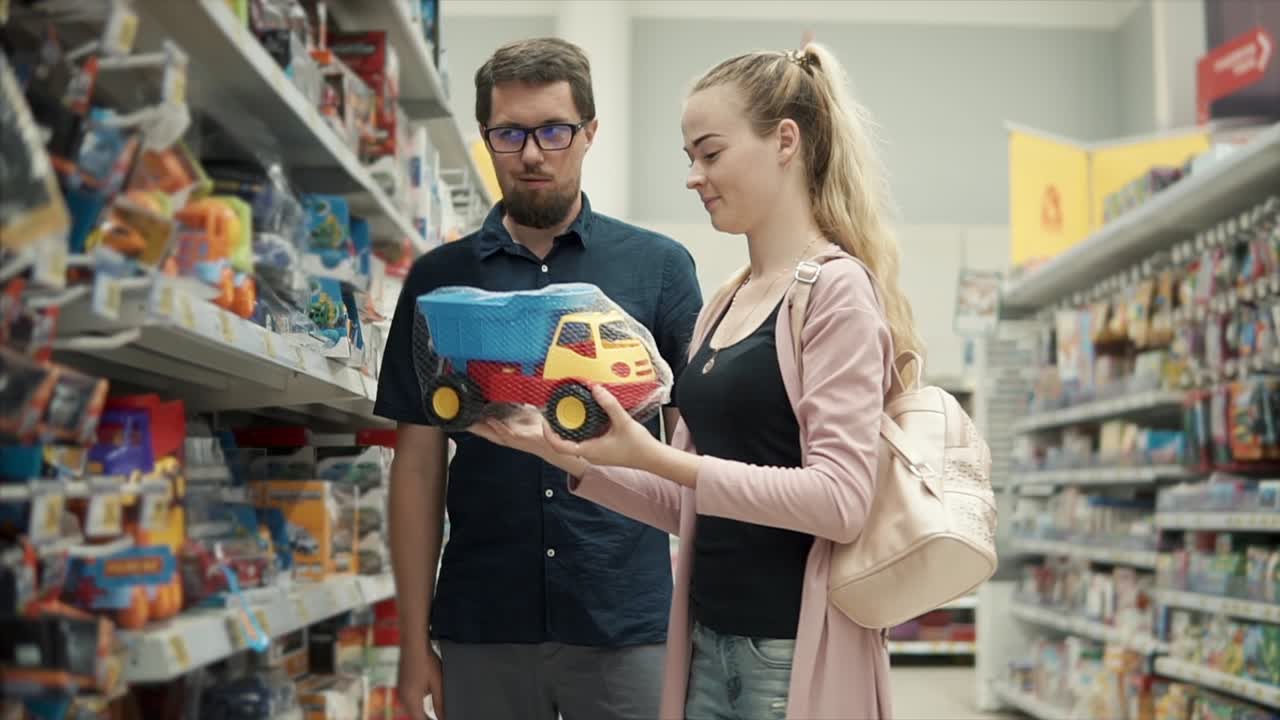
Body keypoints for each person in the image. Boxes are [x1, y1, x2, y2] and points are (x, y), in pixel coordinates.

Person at [471, 42, 922, 720]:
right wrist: (567, 452)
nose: (693, 176)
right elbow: (690, 501)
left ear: (785, 142)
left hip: (789, 653)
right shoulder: (726, 302)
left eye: (710, 153)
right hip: (707, 641)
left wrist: (658, 457)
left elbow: (840, 500)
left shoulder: (834, 292)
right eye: (690, 157)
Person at [373, 37, 702, 720]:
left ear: (589, 133)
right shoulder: (439, 281)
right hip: (483, 622)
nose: (531, 153)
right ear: (486, 137)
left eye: (553, 130)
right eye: (509, 133)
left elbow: (697, 453)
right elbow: (417, 470)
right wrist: (411, 644)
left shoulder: (661, 268)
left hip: (628, 625)